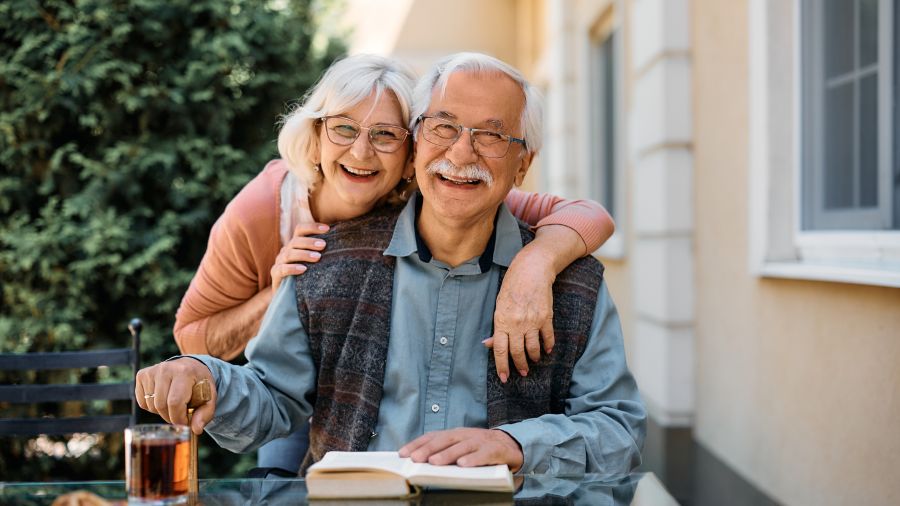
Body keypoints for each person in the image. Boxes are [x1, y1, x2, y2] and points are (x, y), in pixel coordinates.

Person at [139, 52, 645, 475]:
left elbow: (619, 430)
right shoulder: (322, 259)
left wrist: (519, 446)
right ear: (419, 140)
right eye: (444, 127)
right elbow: (272, 395)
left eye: (491, 137)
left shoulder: (573, 282)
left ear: (523, 165)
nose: (461, 152)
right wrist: (205, 376)